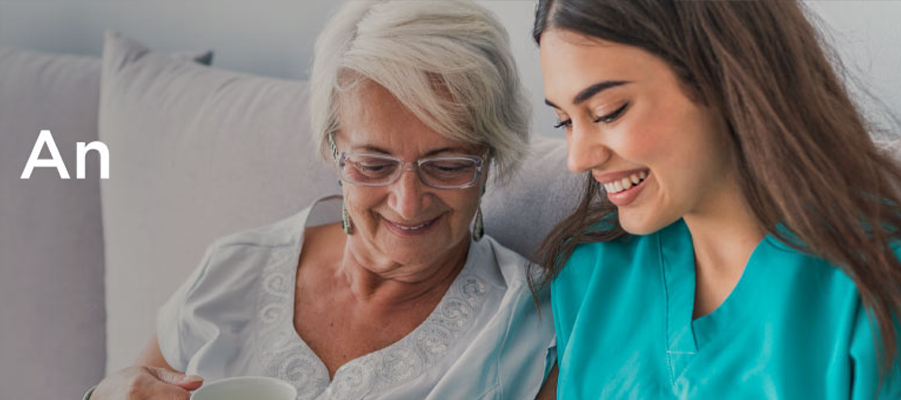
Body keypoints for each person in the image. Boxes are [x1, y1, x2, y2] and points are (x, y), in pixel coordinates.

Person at [532, 0, 901, 398]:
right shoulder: (592, 275)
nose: (579, 157)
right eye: (565, 121)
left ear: (725, 75)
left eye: (608, 112)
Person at [88, 1, 556, 399]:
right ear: (333, 151)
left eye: (449, 165)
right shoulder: (232, 272)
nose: (408, 202)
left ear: (490, 158)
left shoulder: (530, 327)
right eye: (374, 164)